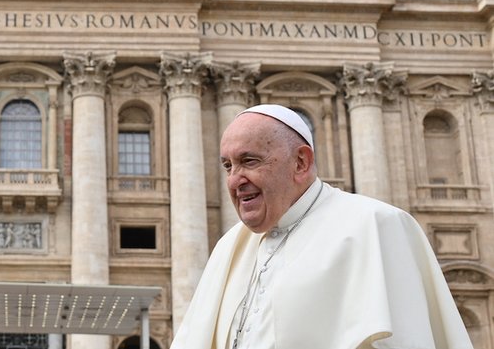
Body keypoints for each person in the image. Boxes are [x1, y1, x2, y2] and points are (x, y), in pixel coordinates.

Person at [173, 104, 472, 349]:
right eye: (228, 166)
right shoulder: (229, 248)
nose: (234, 180)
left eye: (249, 161)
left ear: (301, 162)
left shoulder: (376, 226)